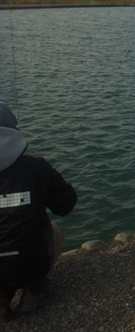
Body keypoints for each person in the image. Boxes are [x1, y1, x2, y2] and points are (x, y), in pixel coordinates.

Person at [0, 102, 77, 321]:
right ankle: (34, 291)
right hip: (28, 265)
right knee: (54, 230)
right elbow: (66, 205)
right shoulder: (35, 168)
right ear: (15, 130)